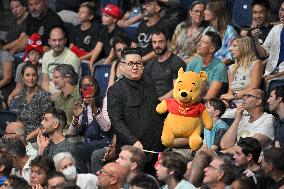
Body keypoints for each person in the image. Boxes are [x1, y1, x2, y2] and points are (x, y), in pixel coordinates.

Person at [107, 47, 163, 161]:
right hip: (131, 150)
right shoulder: (115, 90)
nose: (135, 67)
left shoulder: (149, 82)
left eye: (138, 63)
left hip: (155, 146)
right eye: (131, 63)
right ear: (122, 66)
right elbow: (117, 122)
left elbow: (156, 108)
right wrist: (134, 141)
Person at [69, 76, 112, 173]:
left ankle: (87, 179)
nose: (88, 89)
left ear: (96, 87)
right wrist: (75, 117)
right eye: (84, 87)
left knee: (76, 149)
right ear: (80, 89)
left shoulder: (104, 101)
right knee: (71, 147)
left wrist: (94, 108)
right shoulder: (82, 105)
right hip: (90, 144)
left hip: (105, 142)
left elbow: (106, 128)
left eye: (91, 85)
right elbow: (71, 132)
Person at [220, 89, 275, 153]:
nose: (244, 98)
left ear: (258, 101)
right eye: (244, 96)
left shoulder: (268, 119)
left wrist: (224, 152)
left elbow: (251, 145)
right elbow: (224, 145)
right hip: (236, 157)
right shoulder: (243, 119)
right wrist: (237, 119)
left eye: (248, 96)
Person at [221, 36, 262, 119]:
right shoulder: (231, 68)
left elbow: (254, 88)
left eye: (234, 46)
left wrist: (234, 96)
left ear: (244, 47)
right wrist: (224, 100)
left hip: (248, 106)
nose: (230, 49)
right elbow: (230, 93)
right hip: (233, 107)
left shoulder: (255, 63)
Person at [15, 63, 54, 142]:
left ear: (37, 77)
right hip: (22, 135)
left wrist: (26, 138)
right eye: (27, 75)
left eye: (34, 75)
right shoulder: (22, 94)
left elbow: (47, 124)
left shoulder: (44, 96)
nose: (31, 78)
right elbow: (19, 119)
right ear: (22, 77)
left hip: (38, 138)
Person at [145, 28, 186, 101]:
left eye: (160, 42)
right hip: (152, 103)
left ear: (168, 42)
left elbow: (177, 89)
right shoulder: (150, 64)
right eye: (154, 42)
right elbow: (145, 86)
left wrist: (158, 101)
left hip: (170, 105)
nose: (157, 45)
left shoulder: (177, 62)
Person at [186, 31, 227, 100]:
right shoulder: (193, 62)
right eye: (200, 41)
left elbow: (209, 97)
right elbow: (185, 85)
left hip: (208, 106)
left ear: (212, 49)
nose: (199, 44)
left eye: (203, 43)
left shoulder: (219, 67)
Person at [41, 27, 81, 95]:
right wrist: (46, 96)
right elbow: (45, 81)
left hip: (66, 97)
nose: (57, 43)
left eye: (60, 40)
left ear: (65, 40)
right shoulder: (46, 56)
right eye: (54, 40)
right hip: (49, 96)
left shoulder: (71, 58)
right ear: (49, 41)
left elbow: (69, 86)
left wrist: (53, 99)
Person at [7, 33, 44, 106]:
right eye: (32, 53)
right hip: (23, 93)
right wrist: (11, 95)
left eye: (37, 54)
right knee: (14, 102)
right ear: (27, 55)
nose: (34, 56)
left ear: (40, 56)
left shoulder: (42, 68)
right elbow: (18, 87)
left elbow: (41, 89)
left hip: (38, 95)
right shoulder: (21, 66)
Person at [90, 4, 130, 70]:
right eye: (103, 15)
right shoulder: (104, 29)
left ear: (114, 19)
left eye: (106, 16)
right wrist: (91, 62)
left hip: (118, 60)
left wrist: (101, 68)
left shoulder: (119, 33)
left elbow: (112, 56)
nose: (103, 17)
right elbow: (98, 47)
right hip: (105, 58)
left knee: (98, 69)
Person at [254, 2, 284, 89]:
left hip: (278, 78)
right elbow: (263, 54)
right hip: (270, 74)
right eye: (281, 10)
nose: (282, 14)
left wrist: (274, 76)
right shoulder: (275, 29)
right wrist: (256, 39)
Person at [203, 0, 238, 64]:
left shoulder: (229, 30)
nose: (204, 12)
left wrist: (214, 66)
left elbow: (231, 56)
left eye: (207, 9)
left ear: (215, 12)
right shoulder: (207, 30)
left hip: (224, 67)